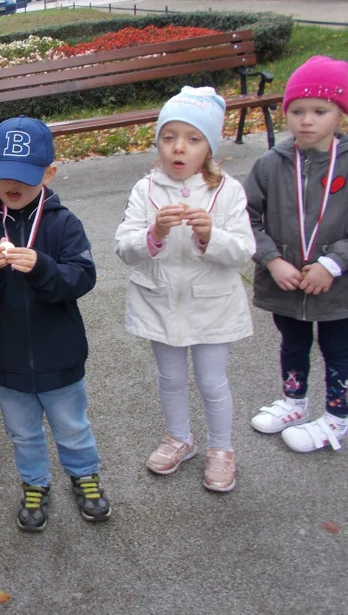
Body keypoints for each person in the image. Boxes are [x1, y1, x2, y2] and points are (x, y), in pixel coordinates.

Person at [0, 117, 110, 531]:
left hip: (61, 355)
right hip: (7, 362)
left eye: (23, 175)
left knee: (72, 427)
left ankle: (84, 475)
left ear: (49, 173)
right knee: (22, 433)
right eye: (2, 175)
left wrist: (42, 267)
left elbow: (83, 278)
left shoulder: (62, 224)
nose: (12, 184)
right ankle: (35, 482)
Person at [115, 87, 255, 492]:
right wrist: (153, 233)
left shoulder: (227, 191)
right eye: (169, 136)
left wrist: (213, 235)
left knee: (212, 381)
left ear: (209, 146)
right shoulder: (146, 190)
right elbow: (124, 248)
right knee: (170, 377)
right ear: (157, 141)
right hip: (160, 302)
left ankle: (221, 448)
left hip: (211, 305)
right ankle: (179, 438)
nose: (179, 148)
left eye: (193, 139)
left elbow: (244, 250)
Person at [244, 56, 348, 453]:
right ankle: (294, 401)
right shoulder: (271, 164)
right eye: (297, 111)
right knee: (292, 343)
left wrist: (331, 264)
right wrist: (271, 259)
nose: (306, 120)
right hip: (286, 283)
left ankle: (337, 418)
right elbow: (246, 219)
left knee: (339, 350)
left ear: (340, 113)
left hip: (337, 289)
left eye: (320, 111)